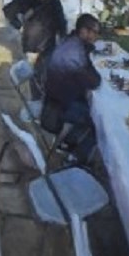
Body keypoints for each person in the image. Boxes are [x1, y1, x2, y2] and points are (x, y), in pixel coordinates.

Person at [41, 13, 102, 164]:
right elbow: (94, 81)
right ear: (83, 31)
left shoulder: (71, 42)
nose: (95, 36)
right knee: (99, 120)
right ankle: (74, 158)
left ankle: (68, 144)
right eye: (93, 32)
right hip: (58, 108)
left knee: (94, 110)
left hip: (56, 98)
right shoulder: (74, 51)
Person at [3, 0, 66, 94]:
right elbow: (7, 11)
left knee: (43, 78)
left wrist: (63, 39)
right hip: (29, 48)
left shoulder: (54, 1)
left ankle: (41, 103)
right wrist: (18, 23)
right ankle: (32, 102)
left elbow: (62, 23)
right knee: (28, 81)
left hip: (48, 48)